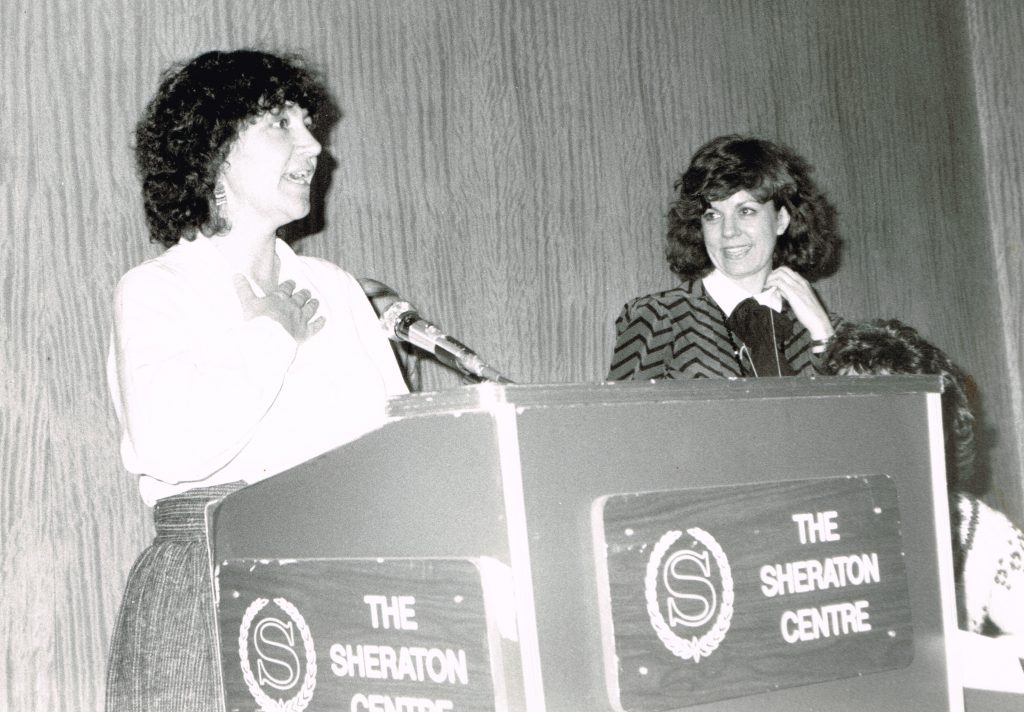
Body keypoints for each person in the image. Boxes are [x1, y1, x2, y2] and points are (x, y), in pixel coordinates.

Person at [105, 49, 408, 710]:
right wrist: (270, 333)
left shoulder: (333, 288)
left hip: (338, 577)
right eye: (281, 124)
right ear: (213, 148)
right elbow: (173, 447)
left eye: (311, 125)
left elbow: (394, 448)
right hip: (207, 582)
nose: (314, 146)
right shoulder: (156, 291)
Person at [824, 319, 1024, 635]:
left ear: (940, 429)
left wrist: (967, 659)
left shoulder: (982, 532)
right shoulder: (810, 525)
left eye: (892, 418)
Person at [608, 134, 842, 380]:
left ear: (781, 220)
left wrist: (823, 335)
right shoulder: (660, 315)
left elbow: (851, 416)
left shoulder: (823, 327)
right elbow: (616, 417)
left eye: (746, 211)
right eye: (713, 215)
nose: (728, 231)